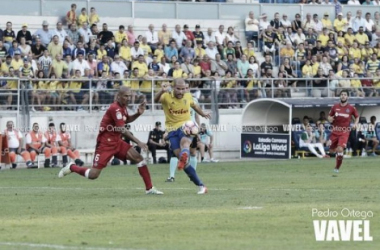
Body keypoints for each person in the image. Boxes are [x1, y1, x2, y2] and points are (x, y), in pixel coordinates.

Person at [58, 86, 163, 195]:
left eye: (129, 96)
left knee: (139, 158)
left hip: (117, 141)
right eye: (126, 96)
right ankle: (72, 167)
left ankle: (149, 188)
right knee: (93, 175)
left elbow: (126, 121)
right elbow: (122, 129)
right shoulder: (115, 108)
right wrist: (139, 142)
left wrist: (138, 113)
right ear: (119, 96)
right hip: (105, 144)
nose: (128, 98)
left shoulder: (123, 107)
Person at [154, 79, 210, 194]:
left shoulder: (188, 96)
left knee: (185, 142)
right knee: (183, 162)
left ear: (186, 88)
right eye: (178, 89)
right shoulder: (166, 96)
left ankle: (185, 152)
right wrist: (161, 91)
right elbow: (155, 100)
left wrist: (203, 114)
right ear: (173, 88)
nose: (181, 91)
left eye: (183, 89)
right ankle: (201, 186)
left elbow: (195, 106)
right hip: (171, 130)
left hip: (187, 126)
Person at [166, 83, 200, 182]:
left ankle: (192, 175)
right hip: (178, 128)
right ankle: (172, 176)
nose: (184, 90)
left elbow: (197, 116)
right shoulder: (174, 100)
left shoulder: (194, 100)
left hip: (192, 130)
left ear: (188, 89)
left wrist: (197, 130)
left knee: (193, 153)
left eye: (186, 88)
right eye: (182, 88)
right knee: (175, 153)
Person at [327, 90, 359, 173]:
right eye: (342, 94)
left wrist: (355, 124)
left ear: (347, 97)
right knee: (331, 151)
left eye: (345, 95)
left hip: (344, 132)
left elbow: (357, 117)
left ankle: (337, 168)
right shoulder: (334, 107)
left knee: (340, 149)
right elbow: (329, 117)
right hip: (335, 131)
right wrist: (330, 119)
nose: (343, 96)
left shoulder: (351, 108)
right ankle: (338, 156)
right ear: (340, 96)